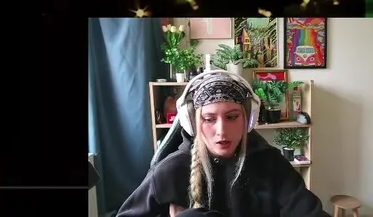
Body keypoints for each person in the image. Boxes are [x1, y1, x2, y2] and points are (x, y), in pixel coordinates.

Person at [115, 71, 328, 217]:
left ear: (248, 119)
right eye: (209, 119)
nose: (222, 131)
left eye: (232, 117)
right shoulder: (170, 171)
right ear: (192, 122)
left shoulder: (271, 164)